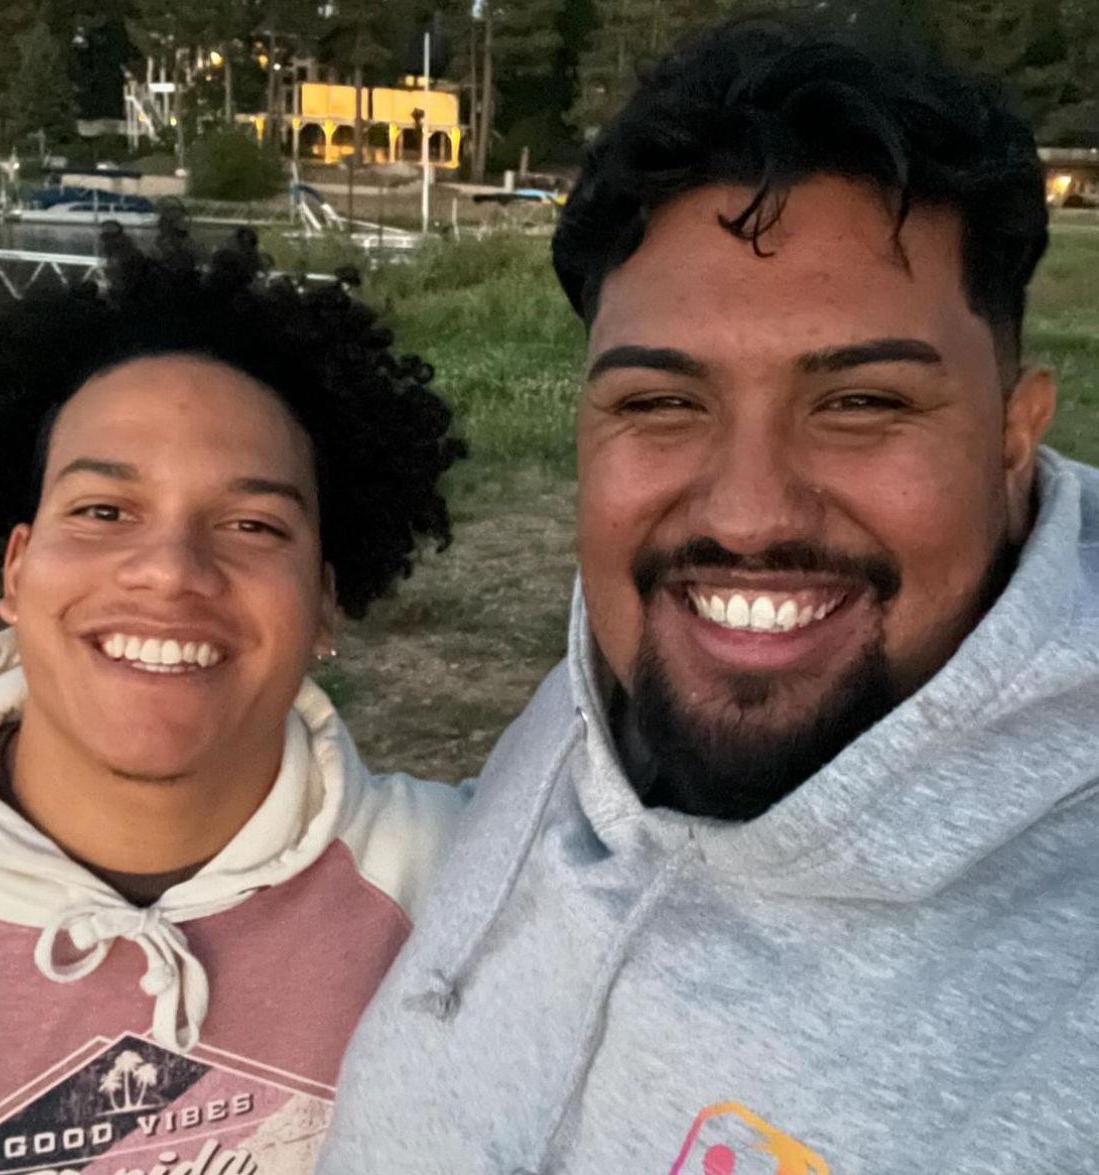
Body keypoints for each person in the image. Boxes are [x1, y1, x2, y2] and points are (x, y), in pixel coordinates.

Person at [316, 17, 1099, 1174]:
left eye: (862, 402)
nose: (745, 514)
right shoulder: (600, 690)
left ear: (1009, 437)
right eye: (659, 403)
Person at [0, 221, 466, 1171]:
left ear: (324, 601)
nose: (170, 569)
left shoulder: (462, 881)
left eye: (253, 524)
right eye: (103, 510)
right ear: (16, 569)